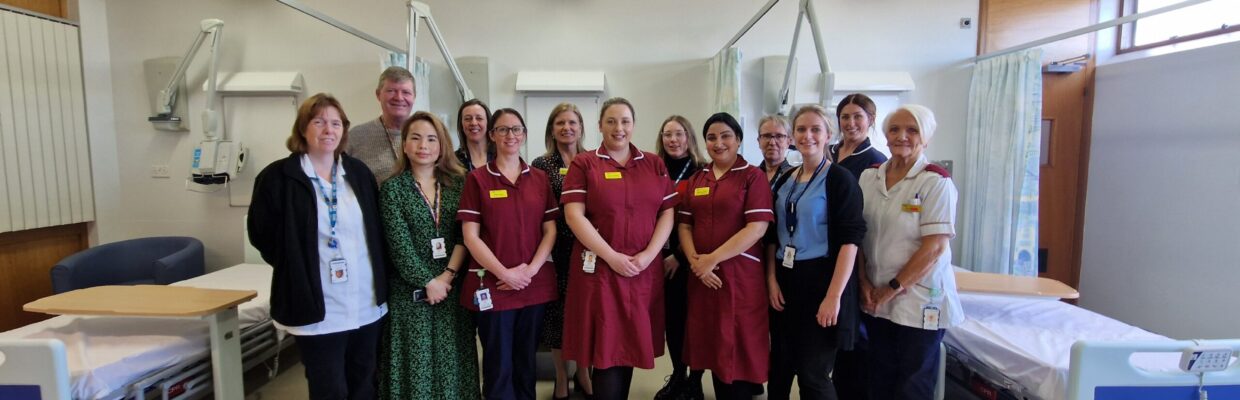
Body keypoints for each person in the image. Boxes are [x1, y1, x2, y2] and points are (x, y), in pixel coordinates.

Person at [248, 93, 388, 400]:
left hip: (365, 301)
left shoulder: (358, 173)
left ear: (344, 130)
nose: (329, 129)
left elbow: (374, 231)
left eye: (336, 123)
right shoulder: (279, 178)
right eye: (319, 121)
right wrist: (295, 267)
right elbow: (262, 235)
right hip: (316, 304)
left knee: (365, 382)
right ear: (302, 128)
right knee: (330, 387)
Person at [561, 97, 678, 400]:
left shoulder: (653, 164)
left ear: (634, 125)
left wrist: (650, 255)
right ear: (600, 125)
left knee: (629, 347)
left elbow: (667, 212)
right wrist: (611, 257)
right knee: (607, 348)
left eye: (625, 121)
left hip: (641, 270)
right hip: (600, 271)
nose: (618, 128)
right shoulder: (584, 163)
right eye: (611, 121)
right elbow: (574, 215)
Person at [858, 105, 962, 400]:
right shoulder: (869, 177)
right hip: (876, 297)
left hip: (918, 300)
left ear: (925, 138)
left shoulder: (935, 181)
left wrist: (891, 289)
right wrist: (864, 282)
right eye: (894, 130)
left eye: (912, 130)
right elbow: (860, 235)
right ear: (885, 136)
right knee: (879, 378)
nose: (902, 136)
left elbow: (935, 247)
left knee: (912, 385)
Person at [457, 108, 559, 400]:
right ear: (492, 136)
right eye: (502, 129)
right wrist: (505, 274)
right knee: (498, 363)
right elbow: (470, 236)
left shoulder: (539, 179)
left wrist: (528, 272)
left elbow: (549, 231)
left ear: (524, 134)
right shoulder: (477, 180)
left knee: (526, 361)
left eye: (516, 129)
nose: (510, 135)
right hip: (493, 285)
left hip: (533, 284)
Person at [766, 104, 866, 400]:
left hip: (822, 280)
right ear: (792, 136)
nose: (807, 135)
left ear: (828, 135)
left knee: (813, 373)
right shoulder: (786, 179)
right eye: (800, 129)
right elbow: (773, 233)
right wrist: (771, 280)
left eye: (815, 129)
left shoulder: (840, 180)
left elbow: (851, 241)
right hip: (785, 279)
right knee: (780, 367)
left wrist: (833, 297)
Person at [378, 111, 479, 399]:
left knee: (453, 358)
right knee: (415, 360)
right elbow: (399, 245)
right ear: (405, 145)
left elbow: (465, 235)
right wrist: (427, 281)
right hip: (410, 290)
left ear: (441, 145)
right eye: (416, 138)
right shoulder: (392, 189)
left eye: (431, 138)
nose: (424, 145)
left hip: (452, 286)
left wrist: (446, 277)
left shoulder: (459, 184)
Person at [677, 112, 773, 400]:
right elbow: (684, 225)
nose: (718, 143)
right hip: (703, 280)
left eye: (725, 136)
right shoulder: (697, 179)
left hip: (739, 279)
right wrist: (696, 261)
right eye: (711, 137)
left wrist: (712, 259)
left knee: (738, 352)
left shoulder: (753, 177)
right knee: (713, 350)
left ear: (739, 140)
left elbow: (757, 228)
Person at [530, 103, 594, 400]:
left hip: (587, 250)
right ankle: (560, 376)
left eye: (572, 122)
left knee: (584, 313)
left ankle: (583, 372)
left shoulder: (593, 161)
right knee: (558, 316)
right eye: (560, 123)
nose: (566, 128)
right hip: (555, 250)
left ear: (581, 127)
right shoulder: (541, 166)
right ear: (551, 129)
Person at [652, 114, 706, 400]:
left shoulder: (702, 171)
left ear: (689, 137)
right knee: (672, 320)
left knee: (694, 321)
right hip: (658, 260)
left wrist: (679, 256)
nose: (673, 139)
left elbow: (706, 221)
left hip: (692, 259)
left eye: (679, 134)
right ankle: (677, 374)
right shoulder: (652, 169)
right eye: (667, 134)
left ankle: (695, 379)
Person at [346, 66, 416, 181]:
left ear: (414, 97)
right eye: (391, 91)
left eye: (406, 92)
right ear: (378, 94)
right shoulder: (355, 137)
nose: (399, 97)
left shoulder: (427, 137)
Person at [830, 93, 888, 179]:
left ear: (871, 119)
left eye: (857, 116)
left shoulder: (876, 160)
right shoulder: (827, 152)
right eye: (845, 117)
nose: (851, 123)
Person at [455, 99, 494, 171]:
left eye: (479, 118)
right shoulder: (452, 161)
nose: (473, 123)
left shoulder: (501, 157)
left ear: (488, 123)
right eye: (467, 119)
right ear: (461, 124)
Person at [757, 114, 796, 185]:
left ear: (788, 142)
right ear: (759, 141)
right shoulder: (750, 176)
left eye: (779, 136)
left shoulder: (796, 177)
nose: (772, 142)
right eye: (767, 136)